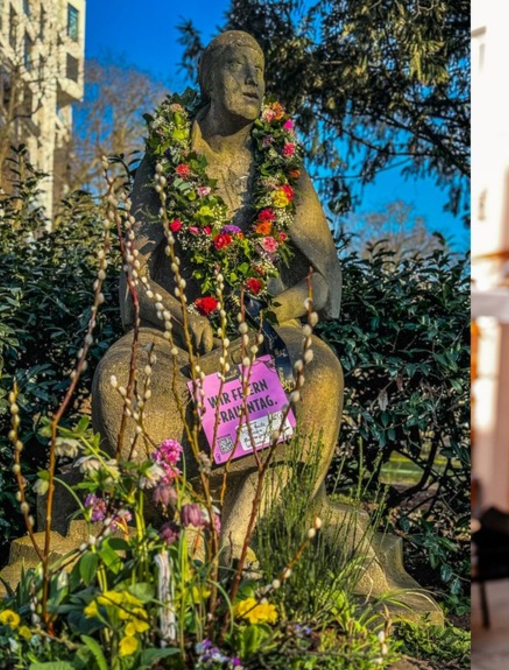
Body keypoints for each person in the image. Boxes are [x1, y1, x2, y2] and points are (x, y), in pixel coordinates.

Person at [91, 31, 344, 561]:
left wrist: (279, 311)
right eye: (238, 66)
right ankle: (182, 522)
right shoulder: (166, 157)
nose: (254, 80)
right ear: (206, 79)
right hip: (173, 334)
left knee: (319, 375)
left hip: (264, 334)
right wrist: (180, 316)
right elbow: (135, 275)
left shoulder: (284, 165)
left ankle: (237, 536)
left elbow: (322, 280)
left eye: (260, 68)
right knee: (119, 379)